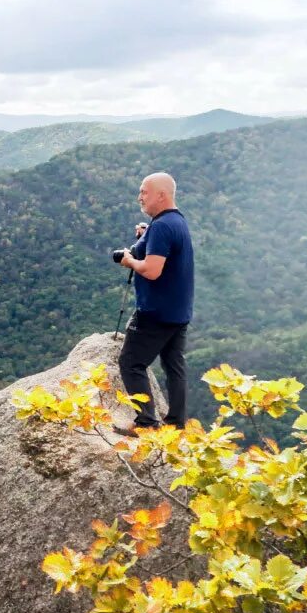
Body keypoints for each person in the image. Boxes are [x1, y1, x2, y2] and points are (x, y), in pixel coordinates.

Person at [113, 172, 194, 435]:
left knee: (130, 363)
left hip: (155, 312)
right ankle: (176, 424)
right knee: (174, 366)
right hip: (178, 311)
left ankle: (147, 423)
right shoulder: (176, 222)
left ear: (161, 195)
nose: (139, 197)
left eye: (144, 192)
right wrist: (148, 236)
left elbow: (151, 270)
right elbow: (164, 251)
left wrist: (129, 261)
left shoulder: (162, 226)